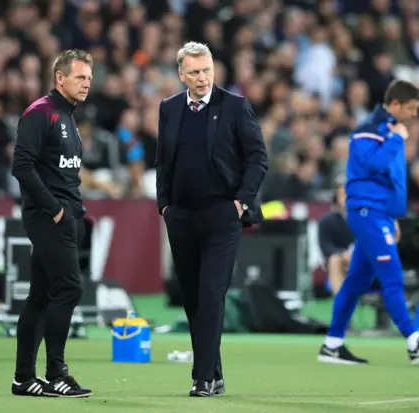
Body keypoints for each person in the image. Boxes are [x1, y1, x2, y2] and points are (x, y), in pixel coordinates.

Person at [156, 42, 268, 397]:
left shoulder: (234, 106)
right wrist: (165, 206)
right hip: (182, 216)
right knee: (192, 299)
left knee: (211, 295)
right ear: (181, 74)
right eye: (194, 72)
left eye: (206, 70)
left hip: (222, 214)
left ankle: (202, 377)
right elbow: (163, 160)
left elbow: (258, 158)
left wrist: (239, 203)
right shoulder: (169, 108)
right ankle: (214, 372)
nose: (202, 78)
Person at [318, 79, 419, 365]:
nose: (415, 115)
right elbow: (375, 165)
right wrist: (396, 139)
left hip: (379, 214)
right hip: (366, 211)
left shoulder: (388, 132)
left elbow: (387, 180)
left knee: (355, 282)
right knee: (393, 277)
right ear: (394, 105)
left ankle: (332, 344)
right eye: (412, 108)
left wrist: (391, 217)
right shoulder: (370, 130)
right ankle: (415, 342)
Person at [10, 49, 93, 398]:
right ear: (60, 78)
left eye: (89, 78)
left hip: (67, 215)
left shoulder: (67, 115)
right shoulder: (40, 113)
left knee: (40, 297)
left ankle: (23, 379)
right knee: (69, 288)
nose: (87, 83)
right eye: (79, 77)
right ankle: (56, 371)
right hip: (49, 217)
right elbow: (22, 166)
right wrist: (55, 209)